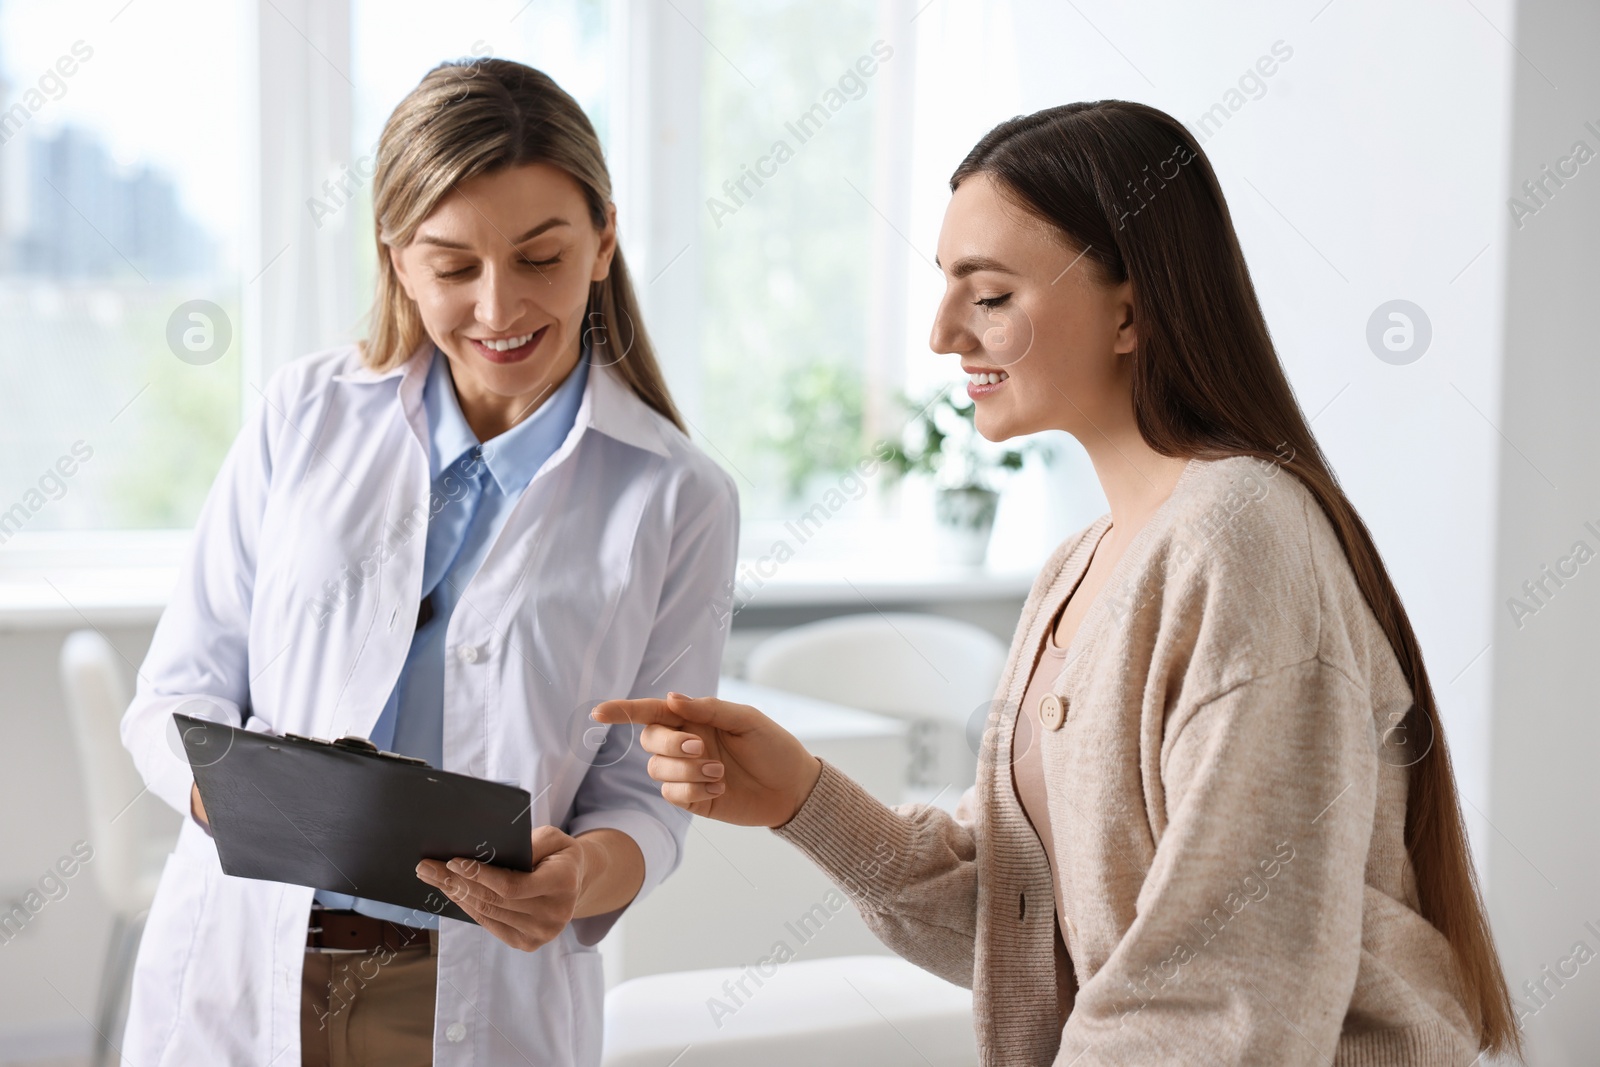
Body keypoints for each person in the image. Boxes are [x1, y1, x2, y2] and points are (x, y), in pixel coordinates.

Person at [593, 100, 1522, 1065]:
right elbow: (1031, 931)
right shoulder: (1079, 565)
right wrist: (802, 797)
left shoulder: (1241, 538)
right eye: (946, 289)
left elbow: (1220, 1001)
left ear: (1132, 309)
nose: (943, 333)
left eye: (987, 295)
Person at [119, 59, 737, 1066]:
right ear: (396, 259)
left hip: (475, 991)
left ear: (604, 241)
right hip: (244, 965)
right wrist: (248, 801)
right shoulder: (302, 415)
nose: (499, 308)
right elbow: (171, 697)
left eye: (541, 257)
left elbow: (642, 801)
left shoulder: (678, 496)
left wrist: (580, 875)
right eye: (453, 267)